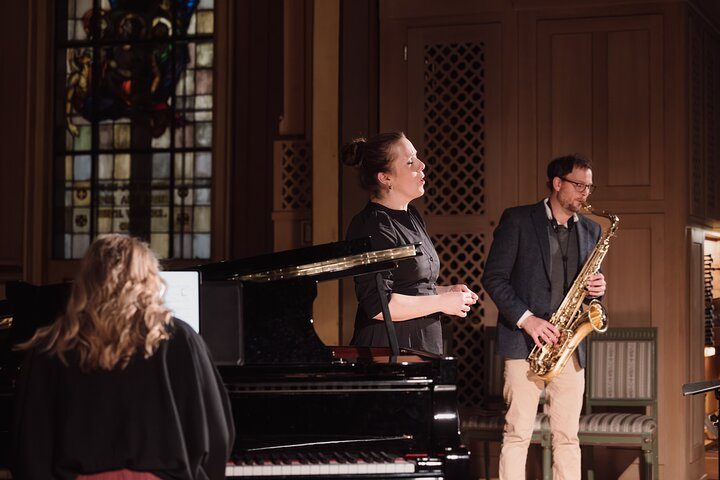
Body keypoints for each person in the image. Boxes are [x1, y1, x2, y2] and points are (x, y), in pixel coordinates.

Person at [12, 234, 234, 480]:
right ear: (149, 278)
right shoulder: (183, 339)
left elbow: (30, 450)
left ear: (86, 280)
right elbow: (218, 437)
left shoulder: (50, 345)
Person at [481, 154, 607, 479]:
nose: (585, 193)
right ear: (557, 183)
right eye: (579, 185)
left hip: (569, 347)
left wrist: (598, 289)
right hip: (525, 344)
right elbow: (494, 278)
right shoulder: (519, 220)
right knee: (517, 434)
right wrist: (528, 319)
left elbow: (590, 289)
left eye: (589, 187)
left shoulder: (592, 230)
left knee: (568, 438)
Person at [341, 131, 478, 355]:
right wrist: (442, 302)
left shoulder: (412, 215)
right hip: (388, 349)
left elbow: (410, 286)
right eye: (410, 161)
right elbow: (377, 305)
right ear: (385, 178)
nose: (422, 165)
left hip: (420, 343)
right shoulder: (372, 225)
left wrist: (444, 291)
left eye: (417, 157)